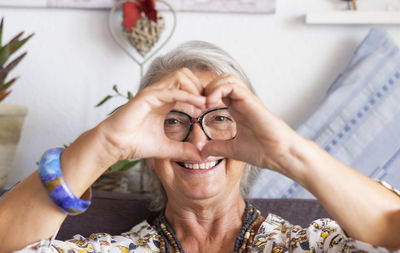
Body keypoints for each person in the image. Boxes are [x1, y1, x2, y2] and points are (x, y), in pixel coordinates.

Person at [0, 41, 399, 253]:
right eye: (173, 121)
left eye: (220, 119)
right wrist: (107, 142)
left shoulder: (306, 246)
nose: (198, 140)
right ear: (150, 157)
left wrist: (292, 153)